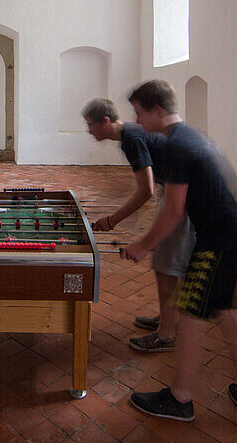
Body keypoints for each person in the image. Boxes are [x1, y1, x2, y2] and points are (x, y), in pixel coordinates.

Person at [120, 80, 237, 432]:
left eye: (140, 112)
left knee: (190, 310)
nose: (137, 120)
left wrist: (143, 245)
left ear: (158, 111)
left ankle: (181, 398)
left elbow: (173, 210)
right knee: (236, 314)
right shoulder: (190, 136)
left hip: (221, 238)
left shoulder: (176, 146)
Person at [82, 98, 194, 353]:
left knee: (165, 265)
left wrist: (112, 221)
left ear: (105, 122)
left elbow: (146, 191)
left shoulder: (131, 138)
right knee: (166, 263)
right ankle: (170, 318)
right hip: (177, 190)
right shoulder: (130, 134)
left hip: (184, 196)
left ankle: (166, 335)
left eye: (90, 125)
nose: (89, 131)